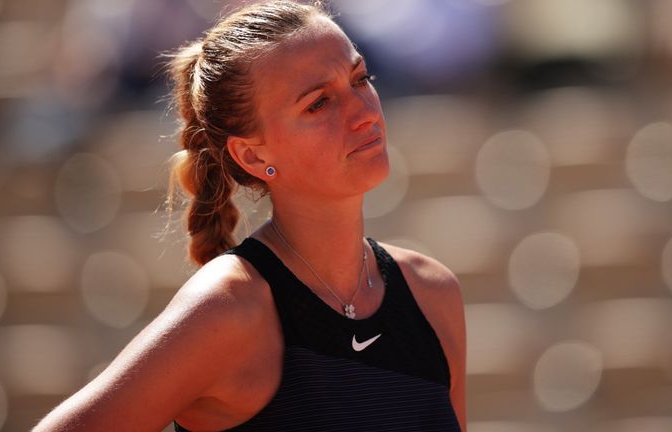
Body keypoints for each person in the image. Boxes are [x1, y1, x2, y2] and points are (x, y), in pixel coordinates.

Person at [33, 1, 466, 430]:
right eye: (318, 103)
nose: (363, 111)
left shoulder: (433, 293)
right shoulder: (228, 309)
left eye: (360, 78)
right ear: (253, 156)